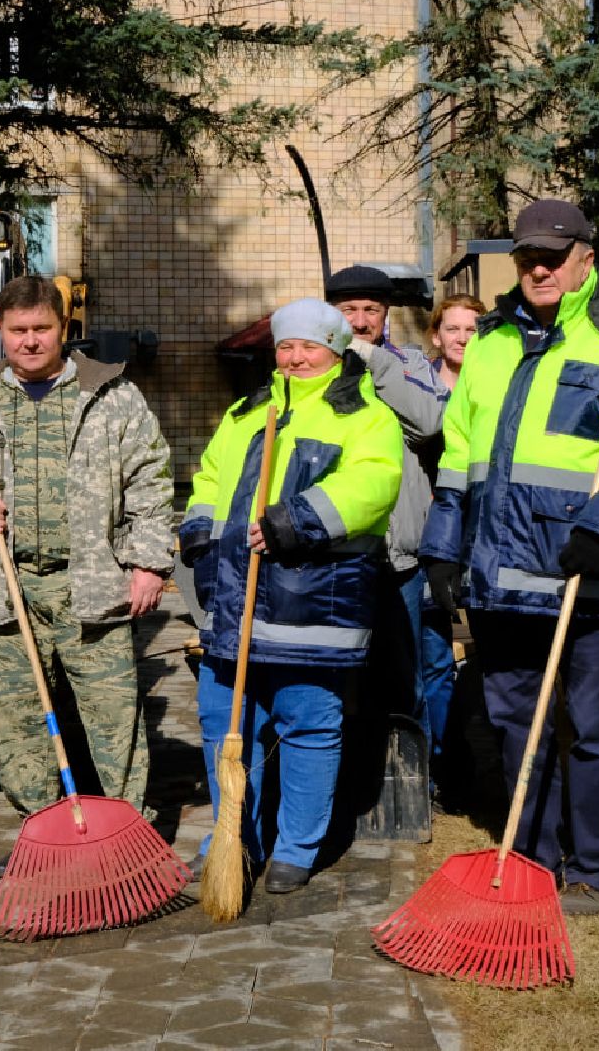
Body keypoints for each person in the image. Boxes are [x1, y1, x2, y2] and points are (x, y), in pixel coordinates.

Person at [421, 199, 599, 915]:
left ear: (585, 260)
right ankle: (532, 857)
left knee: (594, 732)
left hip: (587, 578)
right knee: (515, 727)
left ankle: (591, 869)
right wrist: (443, 550)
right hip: (501, 580)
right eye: (528, 256)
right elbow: (459, 455)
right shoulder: (491, 339)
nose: (539, 267)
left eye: (554, 255)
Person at [0, 275, 175, 876]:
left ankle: (126, 834)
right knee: (22, 725)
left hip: (92, 586)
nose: (31, 342)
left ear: (63, 329)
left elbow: (152, 482)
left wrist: (148, 563)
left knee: (114, 721)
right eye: (18, 331)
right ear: (1, 333)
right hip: (9, 589)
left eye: (42, 329)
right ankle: (43, 832)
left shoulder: (112, 397)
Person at [179, 297, 402, 893]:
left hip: (314, 600)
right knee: (224, 722)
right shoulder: (247, 410)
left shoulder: (365, 415)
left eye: (310, 345)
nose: (296, 356)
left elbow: (373, 486)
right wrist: (201, 534)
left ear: (335, 350)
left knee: (307, 720)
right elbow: (209, 477)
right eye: (286, 345)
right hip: (235, 603)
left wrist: (293, 522)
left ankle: (295, 847)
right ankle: (234, 837)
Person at [324, 265, 448, 813]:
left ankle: (414, 786)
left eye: (370, 310)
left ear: (386, 315)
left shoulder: (411, 365)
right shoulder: (317, 370)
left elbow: (428, 421)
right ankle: (347, 784)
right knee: (341, 678)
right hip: (338, 555)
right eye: (348, 310)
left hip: (401, 557)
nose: (360, 320)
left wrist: (377, 366)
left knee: (405, 680)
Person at [419, 294, 484, 794]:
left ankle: (478, 749)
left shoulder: (497, 381)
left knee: (486, 654)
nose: (462, 337)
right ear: (436, 335)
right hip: (431, 532)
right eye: (453, 328)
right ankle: (439, 762)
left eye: (472, 328)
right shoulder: (417, 385)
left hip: (482, 533)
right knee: (435, 656)